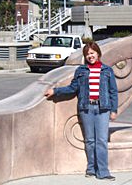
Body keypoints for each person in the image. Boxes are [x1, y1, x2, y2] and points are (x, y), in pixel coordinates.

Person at [44, 41, 118, 181]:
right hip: (86, 108)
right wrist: (55, 91)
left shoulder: (107, 71)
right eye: (87, 54)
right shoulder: (81, 71)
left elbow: (113, 91)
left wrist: (113, 110)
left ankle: (103, 171)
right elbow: (72, 88)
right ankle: (91, 168)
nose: (90, 56)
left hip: (103, 109)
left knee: (101, 140)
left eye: (92, 53)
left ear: (98, 53)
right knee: (90, 140)